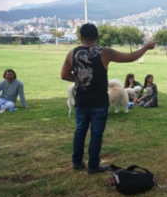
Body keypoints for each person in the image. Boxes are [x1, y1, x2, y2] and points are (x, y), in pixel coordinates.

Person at [60, 23, 156, 174]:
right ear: (97, 37)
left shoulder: (72, 54)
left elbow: (64, 75)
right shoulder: (105, 52)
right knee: (96, 133)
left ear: (81, 37)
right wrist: (146, 47)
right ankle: (93, 165)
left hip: (81, 100)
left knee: (80, 131)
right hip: (99, 100)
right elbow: (130, 57)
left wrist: (81, 80)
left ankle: (77, 162)